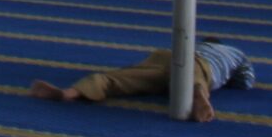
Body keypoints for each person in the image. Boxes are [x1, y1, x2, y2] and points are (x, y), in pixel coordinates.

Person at [29, 39, 256, 122]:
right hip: (197, 63)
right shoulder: (236, 54)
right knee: (195, 77)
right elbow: (246, 81)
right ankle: (199, 94)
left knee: (120, 79)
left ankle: (71, 92)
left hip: (164, 56)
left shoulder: (197, 44)